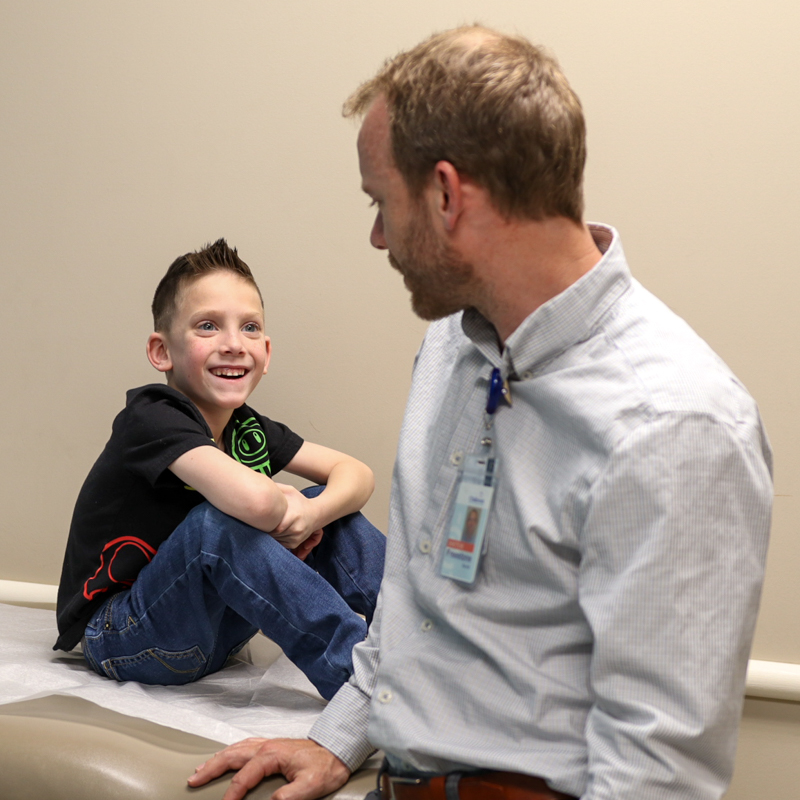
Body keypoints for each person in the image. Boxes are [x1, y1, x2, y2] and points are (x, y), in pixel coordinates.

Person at [188, 26, 773, 800]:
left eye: (380, 202)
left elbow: (655, 775)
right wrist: (339, 739)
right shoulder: (451, 349)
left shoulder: (674, 425)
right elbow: (425, 597)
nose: (375, 236)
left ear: (445, 194)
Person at [54, 239, 385, 702]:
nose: (233, 344)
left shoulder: (247, 428)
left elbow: (355, 473)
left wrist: (312, 515)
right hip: (124, 633)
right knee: (215, 526)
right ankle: (364, 682)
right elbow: (256, 504)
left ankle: (422, 645)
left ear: (266, 352)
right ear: (161, 351)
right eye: (208, 326)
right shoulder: (151, 416)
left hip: (212, 631)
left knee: (329, 511)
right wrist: (282, 504)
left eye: (249, 328)